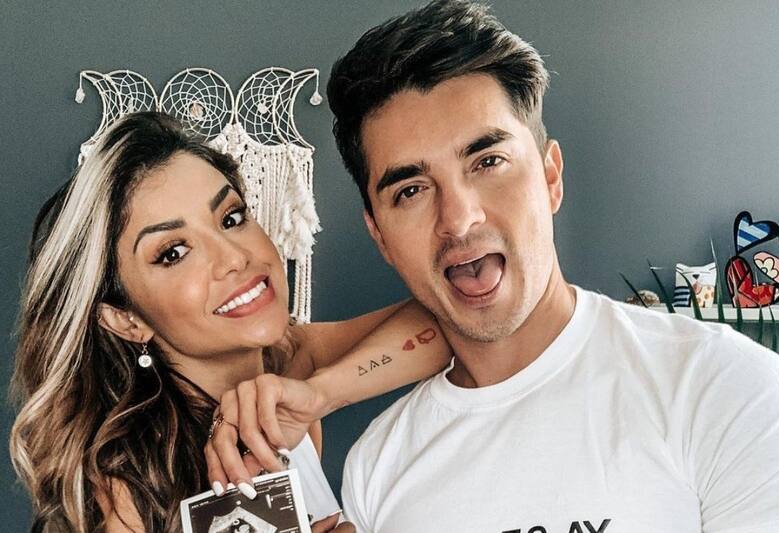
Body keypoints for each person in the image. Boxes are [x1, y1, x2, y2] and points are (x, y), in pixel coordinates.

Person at [207, 1, 779, 531]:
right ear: (380, 236)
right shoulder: (377, 467)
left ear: (550, 176)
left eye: (487, 161)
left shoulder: (727, 390)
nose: (459, 218)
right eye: (411, 190)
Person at [9, 112, 452, 532]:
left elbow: (458, 321)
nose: (234, 257)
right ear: (126, 319)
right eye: (173, 253)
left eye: (231, 218)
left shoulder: (290, 367)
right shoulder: (126, 485)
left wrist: (322, 395)